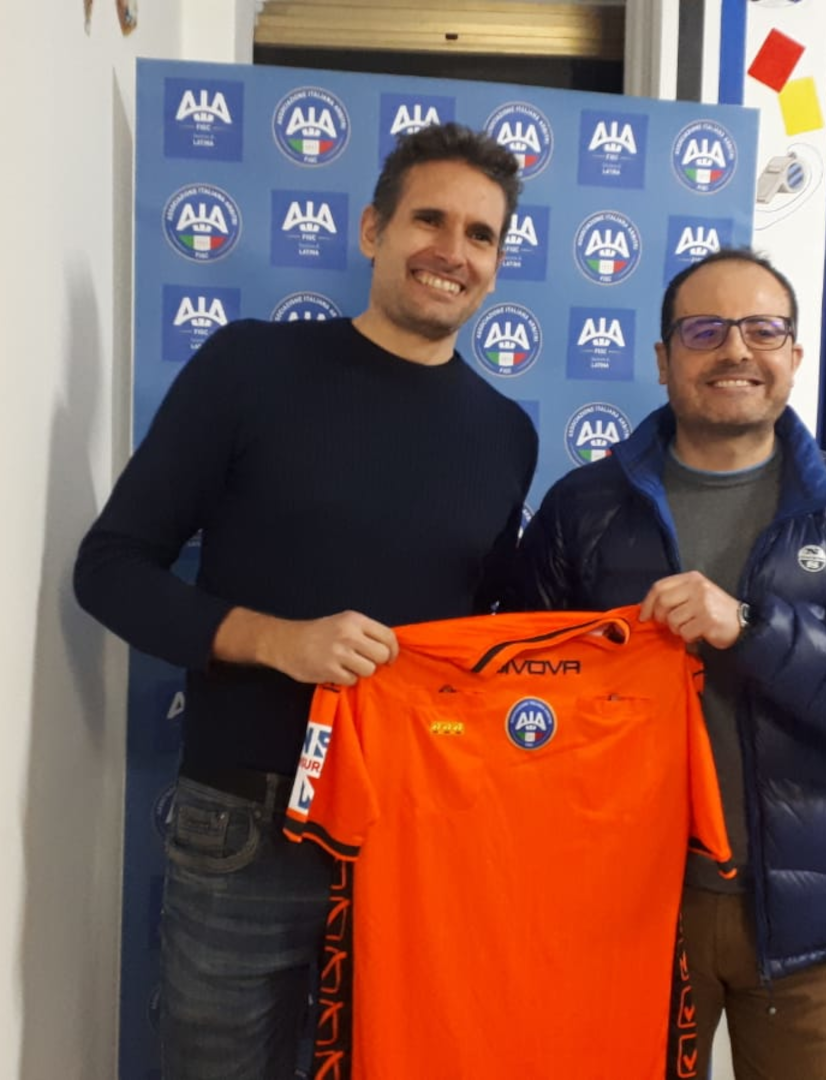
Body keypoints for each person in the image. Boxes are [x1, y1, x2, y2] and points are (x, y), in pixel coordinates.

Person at [73, 122, 537, 1080]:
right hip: (243, 827)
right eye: (430, 220)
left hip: (411, 835)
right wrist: (274, 640)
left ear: (496, 267)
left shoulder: (505, 434)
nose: (453, 251)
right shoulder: (250, 368)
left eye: (481, 235)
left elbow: (489, 632)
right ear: (373, 230)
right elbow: (109, 568)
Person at [508, 249, 826, 1080]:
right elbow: (519, 697)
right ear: (663, 357)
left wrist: (752, 629)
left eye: (763, 329)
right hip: (624, 915)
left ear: (794, 353)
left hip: (814, 928)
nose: (736, 350)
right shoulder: (584, 508)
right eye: (705, 330)